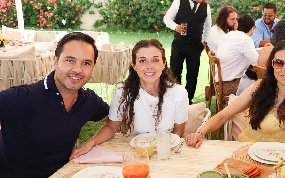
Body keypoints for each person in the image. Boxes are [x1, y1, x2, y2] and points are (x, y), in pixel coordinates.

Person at [0, 32, 109, 177]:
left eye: (86, 63)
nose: (78, 69)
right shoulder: (24, 97)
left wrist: (92, 141)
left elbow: (114, 117)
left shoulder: (88, 100)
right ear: (55, 61)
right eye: (70, 60)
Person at [186, 40, 285, 148]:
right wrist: (200, 133)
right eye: (279, 63)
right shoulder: (260, 87)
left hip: (283, 158)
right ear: (272, 67)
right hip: (248, 150)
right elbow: (223, 115)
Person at [70, 39, 188, 159]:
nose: (149, 66)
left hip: (165, 153)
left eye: (155, 60)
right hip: (136, 153)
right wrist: (90, 143)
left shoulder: (179, 93)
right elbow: (111, 127)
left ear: (163, 64)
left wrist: (162, 151)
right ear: (134, 65)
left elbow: (178, 132)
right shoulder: (122, 91)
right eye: (142, 61)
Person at [163, 0, 211, 104]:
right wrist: (176, 27)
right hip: (179, 44)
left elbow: (208, 27)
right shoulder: (178, 2)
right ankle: (174, 99)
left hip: (195, 47)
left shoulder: (206, 7)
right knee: (175, 72)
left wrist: (205, 42)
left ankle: (188, 101)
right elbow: (166, 18)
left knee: (193, 75)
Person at [217, 15, 259, 96]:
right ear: (252, 28)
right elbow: (257, 62)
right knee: (262, 86)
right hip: (229, 85)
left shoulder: (229, 35)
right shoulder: (245, 39)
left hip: (220, 83)